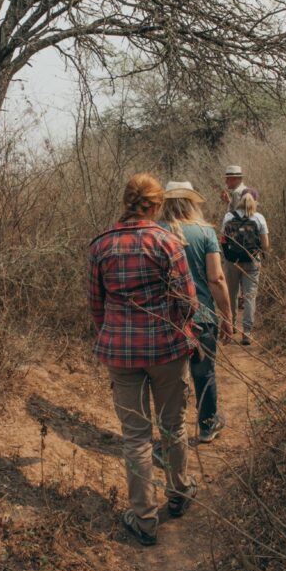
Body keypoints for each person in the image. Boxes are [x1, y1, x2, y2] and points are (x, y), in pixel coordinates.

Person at [87, 173, 199, 546]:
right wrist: (178, 329)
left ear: (126, 202)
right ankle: (180, 493)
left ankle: (145, 519)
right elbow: (187, 301)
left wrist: (114, 333)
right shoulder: (167, 242)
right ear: (154, 206)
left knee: (135, 436)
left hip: (120, 353)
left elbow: (95, 305)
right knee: (173, 425)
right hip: (166, 348)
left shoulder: (101, 245)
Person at [158, 181, 234, 443]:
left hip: (165, 319)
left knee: (169, 378)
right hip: (201, 316)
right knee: (204, 371)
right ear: (191, 203)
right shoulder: (205, 232)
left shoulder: (155, 232)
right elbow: (216, 279)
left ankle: (170, 432)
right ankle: (207, 425)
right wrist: (227, 316)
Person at [221, 192, 269, 346]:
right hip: (252, 262)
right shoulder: (259, 218)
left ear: (239, 200)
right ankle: (247, 333)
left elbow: (223, 239)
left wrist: (228, 256)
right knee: (249, 297)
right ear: (256, 201)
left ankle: (232, 325)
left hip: (232, 261)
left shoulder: (229, 216)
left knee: (232, 294)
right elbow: (266, 245)